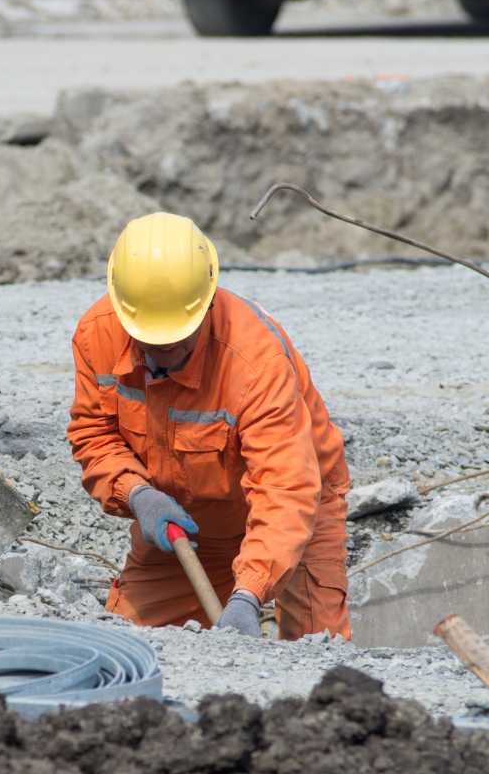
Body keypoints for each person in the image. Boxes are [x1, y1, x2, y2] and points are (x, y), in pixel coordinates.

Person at [67, 212, 352, 639]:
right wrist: (137, 494)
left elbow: (284, 488)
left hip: (297, 508)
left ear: (206, 303)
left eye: (177, 343)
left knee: (317, 653)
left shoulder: (255, 363)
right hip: (186, 517)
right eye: (149, 343)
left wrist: (249, 594)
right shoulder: (98, 335)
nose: (162, 355)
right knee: (129, 647)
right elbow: (94, 432)